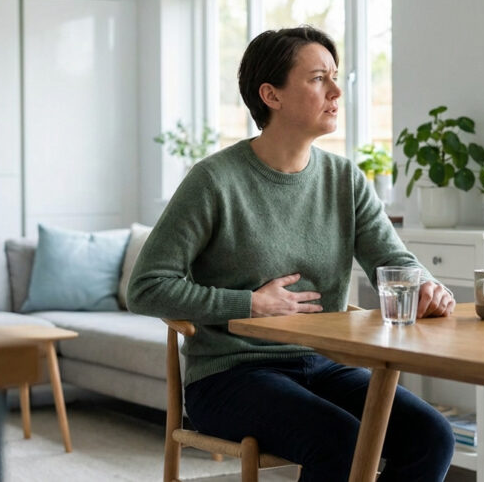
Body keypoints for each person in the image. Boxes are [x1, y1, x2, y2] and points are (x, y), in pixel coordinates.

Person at [128, 26, 455, 481]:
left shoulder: (345, 179)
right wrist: (249, 304)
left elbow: (392, 261)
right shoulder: (214, 182)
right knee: (338, 440)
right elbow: (145, 288)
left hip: (324, 363)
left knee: (432, 436)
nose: (336, 92)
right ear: (272, 95)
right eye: (319, 78)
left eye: (336, 77)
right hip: (230, 375)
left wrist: (425, 285)